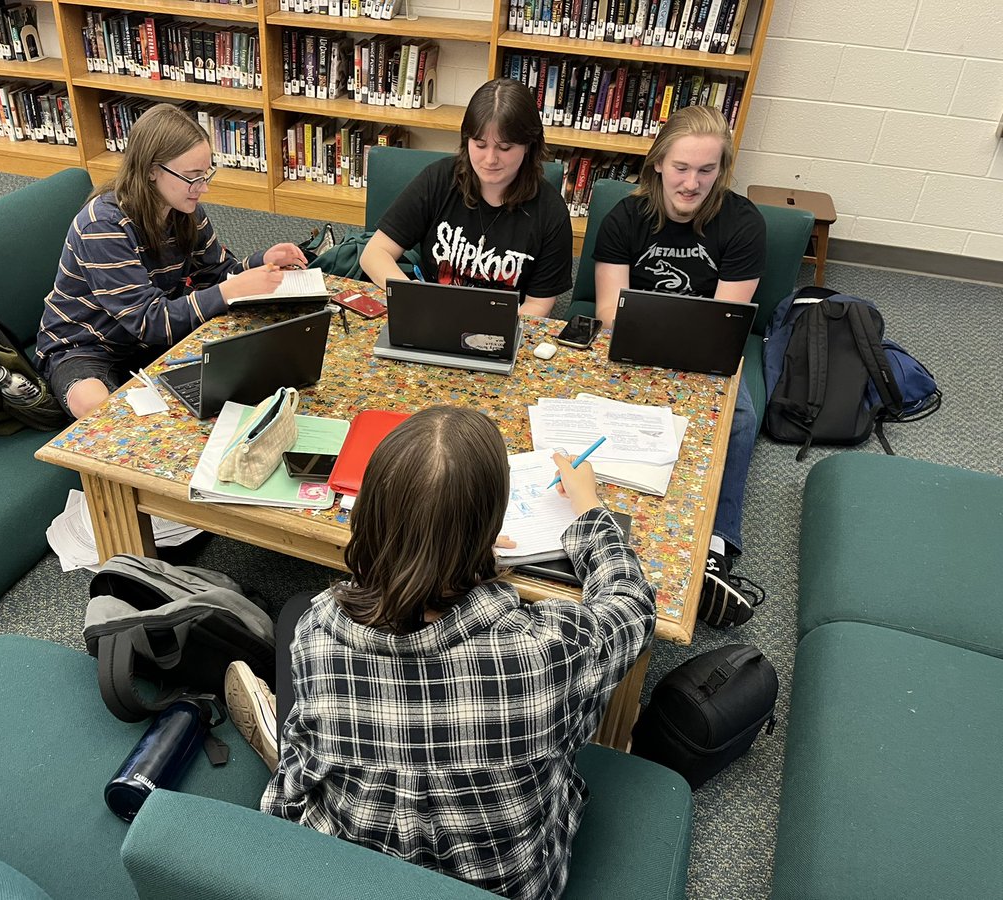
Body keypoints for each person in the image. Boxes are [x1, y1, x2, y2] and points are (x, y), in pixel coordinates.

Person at [225, 405, 656, 900]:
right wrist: (588, 508)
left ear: (370, 511)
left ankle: (290, 741)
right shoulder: (547, 653)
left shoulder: (318, 632)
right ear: (490, 526)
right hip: (504, 886)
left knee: (305, 726)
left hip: (352, 878)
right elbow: (631, 606)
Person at [591, 103, 767, 626]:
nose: (692, 183)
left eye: (706, 170)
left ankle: (714, 548)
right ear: (659, 164)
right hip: (631, 342)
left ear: (722, 171)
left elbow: (727, 319)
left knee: (739, 419)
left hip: (705, 354)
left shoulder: (742, 223)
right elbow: (607, 309)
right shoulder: (626, 217)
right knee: (585, 407)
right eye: (682, 168)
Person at [35, 103, 309, 418]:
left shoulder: (183, 209)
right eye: (192, 177)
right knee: (96, 408)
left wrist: (261, 262)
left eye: (206, 175)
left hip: (148, 341)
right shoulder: (102, 225)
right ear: (152, 170)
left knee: (235, 379)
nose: (203, 188)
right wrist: (229, 291)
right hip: (85, 346)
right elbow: (149, 321)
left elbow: (216, 273)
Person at [359, 78, 573, 317]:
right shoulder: (439, 180)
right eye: (480, 145)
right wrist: (415, 295)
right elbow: (374, 254)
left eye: (504, 148)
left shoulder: (551, 212)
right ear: (466, 140)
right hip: (431, 313)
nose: (490, 159)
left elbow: (538, 305)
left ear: (528, 146)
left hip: (501, 325)